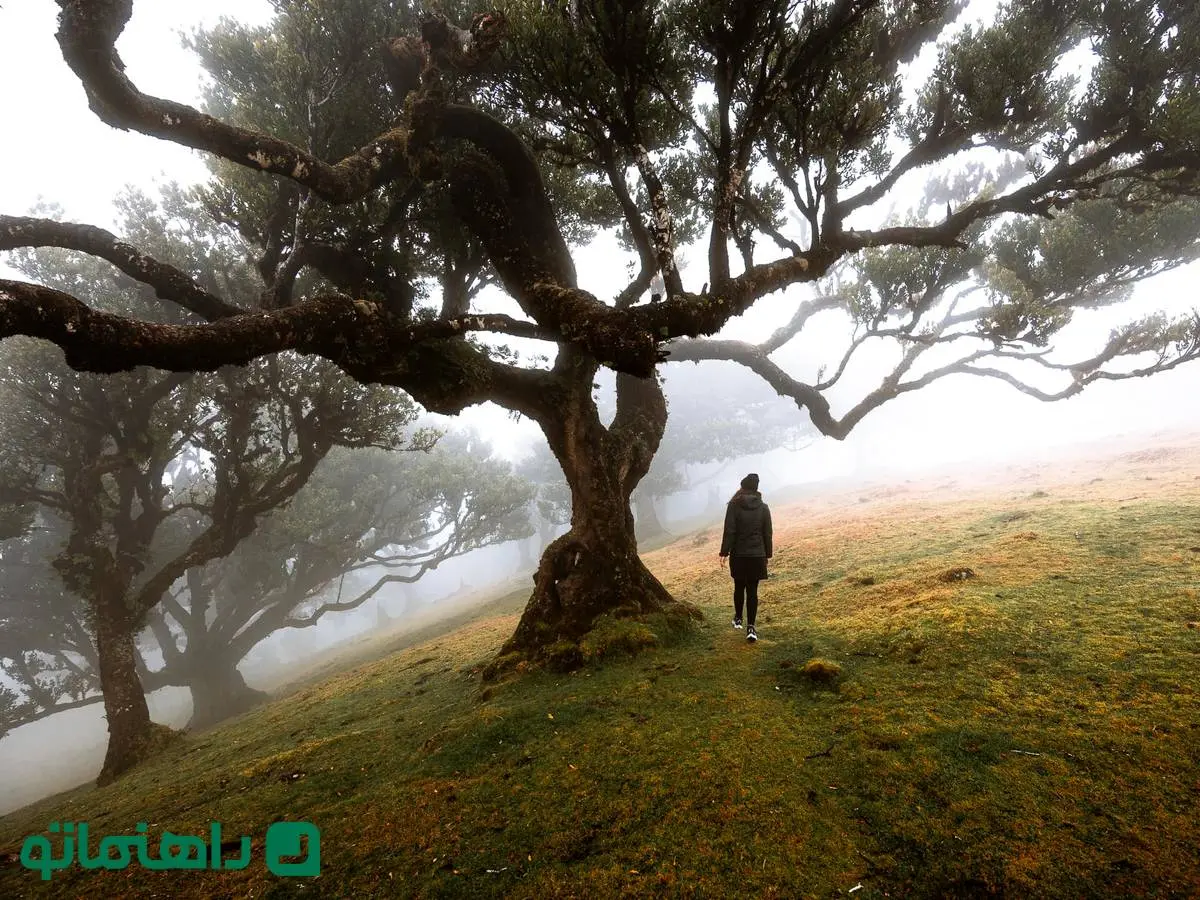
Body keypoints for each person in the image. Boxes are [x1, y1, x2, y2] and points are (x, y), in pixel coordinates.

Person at [718, 473, 772, 643]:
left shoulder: (734, 505)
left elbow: (730, 530)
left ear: (742, 487)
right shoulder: (764, 508)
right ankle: (752, 628)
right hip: (757, 555)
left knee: (739, 586)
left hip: (739, 555)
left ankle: (738, 618)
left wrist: (724, 552)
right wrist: (767, 554)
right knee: (753, 591)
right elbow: (767, 534)